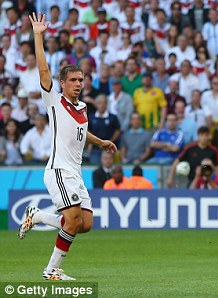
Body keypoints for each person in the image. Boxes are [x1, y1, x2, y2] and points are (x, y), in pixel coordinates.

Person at [17, 12, 117, 281]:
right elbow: (43, 70)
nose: (77, 84)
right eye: (73, 80)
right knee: (71, 220)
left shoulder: (83, 107)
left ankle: (37, 215)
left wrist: (101, 142)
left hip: (75, 172)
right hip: (59, 170)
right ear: (63, 83)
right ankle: (51, 271)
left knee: (84, 224)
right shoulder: (54, 100)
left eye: (81, 80)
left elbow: (81, 133)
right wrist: (38, 35)